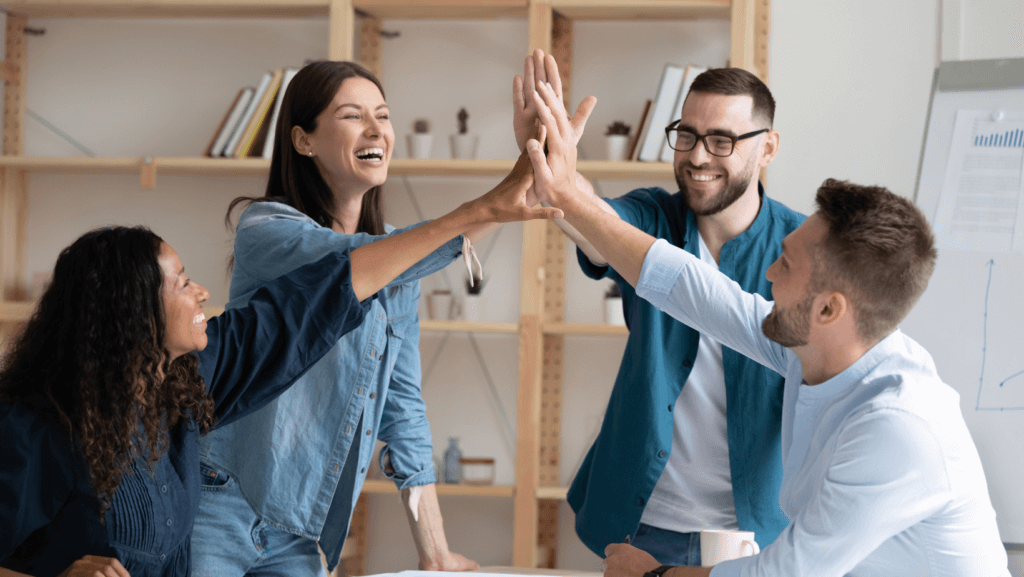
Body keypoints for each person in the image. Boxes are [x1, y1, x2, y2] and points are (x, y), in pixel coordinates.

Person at [523, 78, 1011, 575]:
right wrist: (565, 189)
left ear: (828, 310)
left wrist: (653, 575)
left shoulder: (898, 427)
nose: (768, 276)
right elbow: (695, 291)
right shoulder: (812, 348)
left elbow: (783, 575)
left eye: (786, 267)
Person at [0, 148, 557, 577]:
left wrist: (488, 208)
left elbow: (323, 295)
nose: (200, 293)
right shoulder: (36, 425)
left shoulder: (190, 377)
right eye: (181, 282)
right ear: (129, 311)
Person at [190, 60, 520, 577]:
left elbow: (403, 408)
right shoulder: (268, 229)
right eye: (352, 115)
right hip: (218, 502)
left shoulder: (400, 260)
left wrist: (434, 550)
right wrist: (491, 206)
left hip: (299, 521)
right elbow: (350, 265)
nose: (376, 130)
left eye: (383, 116)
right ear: (304, 141)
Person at [512, 51, 801, 563]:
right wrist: (551, 166)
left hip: (755, 531)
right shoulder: (653, 215)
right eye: (686, 135)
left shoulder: (802, 249)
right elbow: (597, 225)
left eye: (722, 140)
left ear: (769, 148)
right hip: (641, 522)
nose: (696, 156)